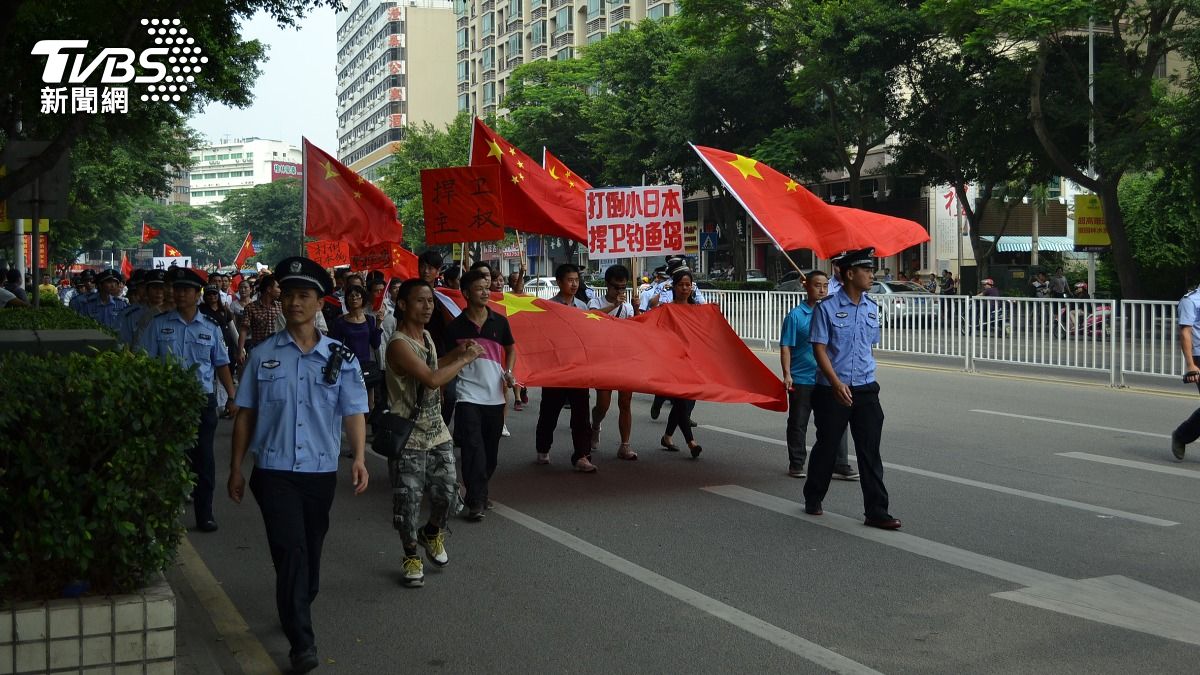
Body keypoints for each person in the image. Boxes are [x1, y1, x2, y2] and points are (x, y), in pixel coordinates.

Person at [228, 256, 369, 674]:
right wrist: (236, 467)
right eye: (288, 295)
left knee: (310, 552)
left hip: (320, 471)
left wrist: (359, 457)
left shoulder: (340, 356)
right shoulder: (262, 354)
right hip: (272, 472)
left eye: (303, 295)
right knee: (290, 550)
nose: (293, 303)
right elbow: (246, 414)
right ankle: (302, 643)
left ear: (320, 302)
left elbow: (354, 410)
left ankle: (296, 604)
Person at [385, 278, 483, 586]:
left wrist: (455, 355)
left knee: (446, 492)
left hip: (436, 428)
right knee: (409, 499)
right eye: (420, 301)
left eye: (430, 301)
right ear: (402, 305)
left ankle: (432, 531)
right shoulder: (399, 343)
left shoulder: (426, 336)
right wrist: (465, 359)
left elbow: (433, 364)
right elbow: (431, 378)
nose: (428, 307)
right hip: (409, 434)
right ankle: (411, 554)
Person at [803, 247, 900, 530]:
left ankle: (877, 510)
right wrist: (835, 384)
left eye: (871, 269)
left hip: (866, 389)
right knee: (828, 445)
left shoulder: (872, 308)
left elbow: (868, 348)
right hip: (832, 389)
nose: (872, 274)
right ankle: (814, 495)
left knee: (870, 451)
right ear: (849, 274)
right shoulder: (827, 307)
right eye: (866, 270)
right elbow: (819, 349)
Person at [139, 268, 237, 533]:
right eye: (177, 289)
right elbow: (144, 362)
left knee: (203, 459)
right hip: (167, 400)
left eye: (186, 290)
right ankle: (165, 517)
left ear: (197, 294)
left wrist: (231, 396)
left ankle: (204, 514)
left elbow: (221, 364)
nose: (179, 294)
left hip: (201, 400)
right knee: (168, 457)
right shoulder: (159, 325)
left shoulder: (211, 327)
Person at [447, 269, 516, 520]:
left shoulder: (500, 322)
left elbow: (511, 349)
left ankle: (479, 490)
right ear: (466, 293)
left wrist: (508, 371)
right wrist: (461, 354)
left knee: (490, 452)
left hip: (495, 396)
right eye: (479, 288)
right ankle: (476, 501)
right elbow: (445, 359)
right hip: (467, 396)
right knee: (472, 448)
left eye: (487, 287)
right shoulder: (455, 326)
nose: (486, 292)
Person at [780, 270, 858, 480]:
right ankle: (797, 463)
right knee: (799, 422)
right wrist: (787, 374)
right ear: (806, 286)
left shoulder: (833, 313)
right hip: (803, 378)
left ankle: (840, 463)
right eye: (817, 285)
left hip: (828, 378)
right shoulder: (796, 316)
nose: (822, 290)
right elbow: (786, 346)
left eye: (825, 285)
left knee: (837, 420)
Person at [535, 264, 597, 472]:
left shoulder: (582, 307)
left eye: (576, 280)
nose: (574, 284)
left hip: (578, 369)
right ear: (559, 282)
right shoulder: (548, 306)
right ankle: (543, 448)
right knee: (549, 412)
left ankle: (582, 455)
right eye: (570, 280)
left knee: (581, 415)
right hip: (556, 369)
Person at [588, 264, 638, 460]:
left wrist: (635, 309)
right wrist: (614, 306)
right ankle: (595, 424)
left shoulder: (627, 307)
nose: (620, 291)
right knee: (603, 405)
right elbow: (592, 319)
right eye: (616, 287)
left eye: (623, 287)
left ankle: (625, 445)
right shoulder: (595, 302)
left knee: (625, 403)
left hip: (624, 359)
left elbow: (637, 330)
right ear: (607, 285)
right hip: (603, 359)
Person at [658, 269, 704, 459]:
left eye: (688, 284)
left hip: (691, 362)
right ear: (674, 287)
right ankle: (691, 442)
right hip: (673, 362)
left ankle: (667, 436)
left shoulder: (697, 310)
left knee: (685, 403)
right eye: (681, 285)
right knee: (681, 401)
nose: (685, 288)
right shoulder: (667, 309)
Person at [201, 284, 240, 414]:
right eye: (209, 294)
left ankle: (223, 404)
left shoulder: (224, 310)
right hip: (208, 345)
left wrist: (240, 346)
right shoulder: (201, 310)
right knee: (212, 375)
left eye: (214, 294)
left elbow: (232, 328)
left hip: (225, 345)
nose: (212, 297)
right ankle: (216, 403)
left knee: (224, 373)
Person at [1172, 286, 1200, 461]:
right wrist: (1191, 365)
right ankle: (1181, 436)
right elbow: (1185, 332)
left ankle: (1182, 435)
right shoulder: (1190, 300)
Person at [239, 273, 281, 358]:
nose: (280, 290)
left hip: (278, 351)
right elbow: (243, 330)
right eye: (278, 287)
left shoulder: (281, 307)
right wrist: (240, 351)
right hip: (257, 351)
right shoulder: (250, 308)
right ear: (269, 289)